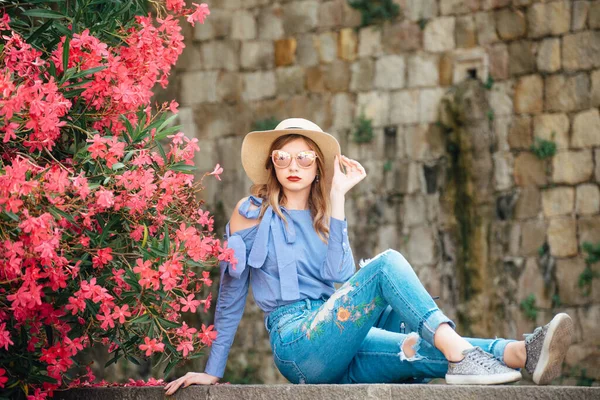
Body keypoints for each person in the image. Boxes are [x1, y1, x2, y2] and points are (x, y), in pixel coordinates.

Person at [164, 118, 573, 394]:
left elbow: (341, 274)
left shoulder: (325, 215)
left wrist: (339, 198)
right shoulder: (251, 212)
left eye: (304, 157)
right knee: (387, 264)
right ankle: (462, 353)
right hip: (299, 343)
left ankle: (520, 354)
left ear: (318, 166)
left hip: (338, 333)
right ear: (271, 163)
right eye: (283, 156)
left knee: (412, 344)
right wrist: (213, 369)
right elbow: (231, 293)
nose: (293, 165)